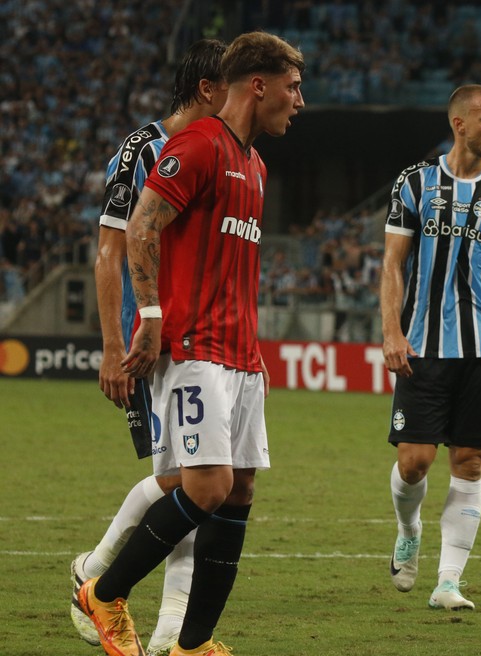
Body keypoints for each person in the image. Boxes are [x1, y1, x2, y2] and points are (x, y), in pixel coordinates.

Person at [77, 31, 304, 656]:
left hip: (241, 355)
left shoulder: (255, 164)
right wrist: (148, 315)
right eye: (292, 87)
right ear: (257, 85)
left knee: (239, 491)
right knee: (204, 487)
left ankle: (192, 644)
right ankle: (102, 591)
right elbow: (142, 224)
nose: (299, 101)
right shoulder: (197, 145)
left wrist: (253, 353)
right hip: (194, 349)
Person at [70, 39, 228, 656]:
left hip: (197, 340)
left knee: (186, 484)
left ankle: (169, 635)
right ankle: (99, 578)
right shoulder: (142, 150)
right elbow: (111, 249)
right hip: (150, 343)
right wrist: (112, 345)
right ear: (209, 89)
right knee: (185, 484)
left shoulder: (222, 151)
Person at [381, 84, 481, 611]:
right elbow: (392, 265)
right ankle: (409, 530)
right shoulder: (416, 183)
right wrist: (391, 330)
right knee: (415, 462)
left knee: (470, 462)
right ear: (459, 125)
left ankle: (448, 582)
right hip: (423, 346)